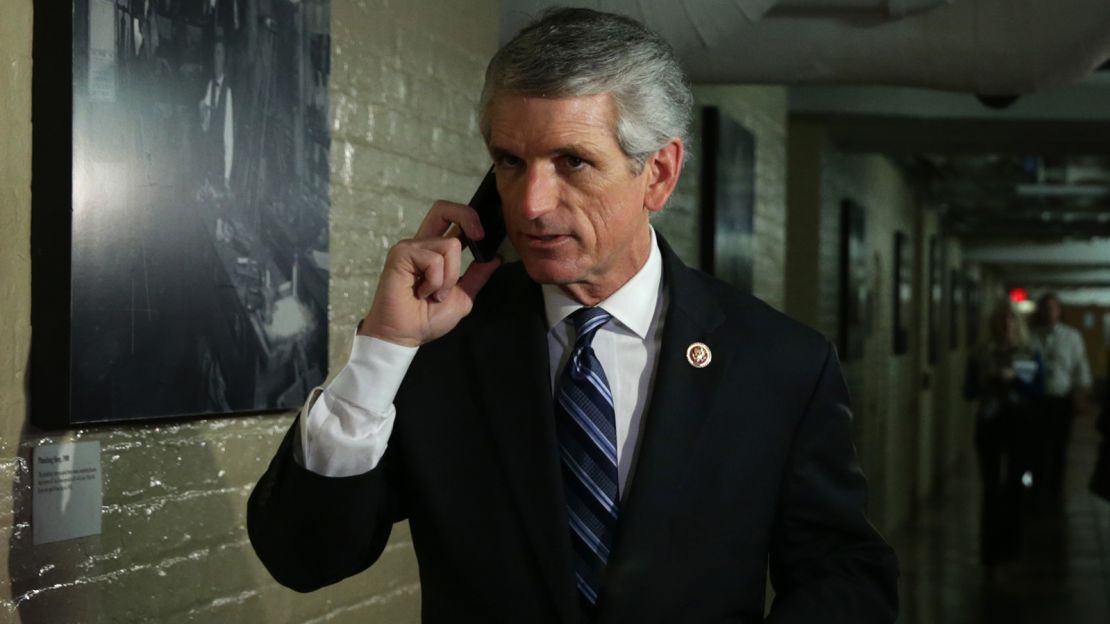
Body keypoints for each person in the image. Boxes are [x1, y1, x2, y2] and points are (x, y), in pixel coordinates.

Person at [247, 8, 898, 623]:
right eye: (510, 162)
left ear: (659, 174)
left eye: (573, 161)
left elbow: (842, 573)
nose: (531, 204)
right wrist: (385, 348)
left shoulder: (780, 362)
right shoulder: (440, 348)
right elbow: (302, 558)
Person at [966, 302, 1042, 565]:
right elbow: (968, 392)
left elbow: (1038, 390)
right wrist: (987, 380)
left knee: (1014, 485)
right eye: (1000, 319)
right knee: (990, 487)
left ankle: (1011, 546)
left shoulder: (1029, 352)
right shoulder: (981, 354)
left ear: (1017, 323)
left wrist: (1015, 379)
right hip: (990, 423)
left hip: (1019, 424)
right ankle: (989, 550)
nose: (1006, 324)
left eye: (1010, 319)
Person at [1029, 292, 1093, 506]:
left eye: (1053, 308)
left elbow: (1080, 368)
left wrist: (1081, 396)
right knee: (1036, 447)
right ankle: (1035, 489)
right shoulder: (1031, 336)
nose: (1049, 312)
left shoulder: (1072, 337)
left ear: (1059, 311)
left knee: (1058, 448)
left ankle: (1054, 491)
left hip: (1060, 400)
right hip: (1037, 401)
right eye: (1045, 308)